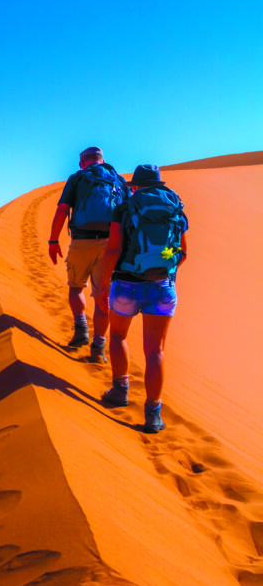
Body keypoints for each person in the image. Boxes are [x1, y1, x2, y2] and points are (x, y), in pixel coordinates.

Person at [97, 164, 188, 433]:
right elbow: (183, 252)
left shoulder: (125, 207)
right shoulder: (176, 208)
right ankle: (153, 414)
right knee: (156, 351)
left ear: (135, 185)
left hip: (126, 284)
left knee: (117, 337)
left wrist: (103, 284)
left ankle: (120, 391)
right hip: (162, 287)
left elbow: (113, 247)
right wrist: (165, 272)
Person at [49, 146, 129, 362]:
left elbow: (62, 210)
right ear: (102, 160)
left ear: (82, 162)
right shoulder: (119, 181)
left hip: (81, 241)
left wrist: (53, 240)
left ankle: (81, 330)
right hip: (111, 245)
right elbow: (129, 215)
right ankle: (98, 348)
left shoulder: (77, 178)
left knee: (76, 287)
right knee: (102, 295)